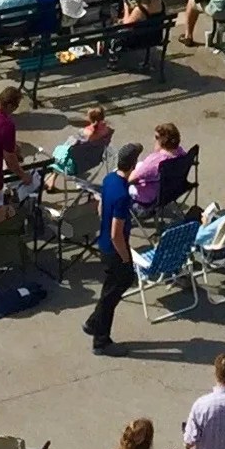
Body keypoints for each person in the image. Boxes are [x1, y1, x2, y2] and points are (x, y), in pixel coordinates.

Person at [83, 141, 140, 355]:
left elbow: (100, 207)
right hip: (115, 250)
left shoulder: (109, 180)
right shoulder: (123, 196)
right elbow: (118, 233)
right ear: (133, 164)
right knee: (114, 292)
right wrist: (126, 258)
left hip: (103, 242)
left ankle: (93, 323)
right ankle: (101, 341)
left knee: (109, 289)